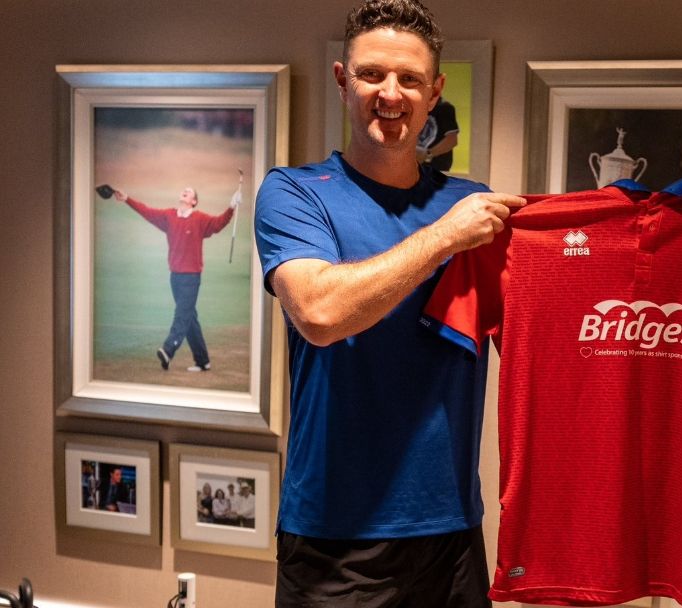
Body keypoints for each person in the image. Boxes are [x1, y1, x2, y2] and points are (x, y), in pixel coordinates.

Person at [253, 2, 525, 606]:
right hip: (334, 535)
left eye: (409, 79)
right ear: (342, 80)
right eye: (372, 74)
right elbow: (320, 313)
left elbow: (545, 336)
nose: (391, 94)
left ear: (435, 91)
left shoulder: (470, 203)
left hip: (452, 531)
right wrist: (444, 238)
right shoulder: (294, 193)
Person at [112, 186, 239, 372]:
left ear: (193, 201)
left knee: (182, 315)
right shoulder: (169, 216)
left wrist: (231, 206)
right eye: (183, 190)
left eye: (189, 191)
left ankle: (168, 349)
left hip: (191, 277)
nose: (184, 192)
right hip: (175, 277)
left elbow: (219, 223)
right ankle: (203, 361)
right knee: (189, 318)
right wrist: (127, 199)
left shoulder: (200, 219)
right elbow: (147, 212)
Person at [416, 97, 459, 172]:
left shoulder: (445, 108)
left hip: (437, 167)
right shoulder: (417, 107)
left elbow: (452, 140)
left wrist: (427, 154)